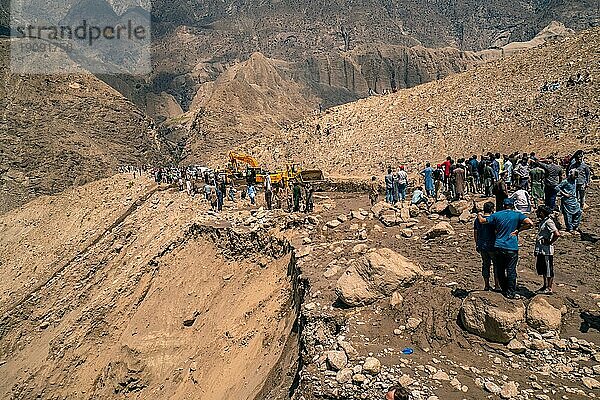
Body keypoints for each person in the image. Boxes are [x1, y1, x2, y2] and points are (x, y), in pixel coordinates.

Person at [477, 198, 533, 299]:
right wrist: (518, 230)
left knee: (500, 269)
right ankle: (510, 291)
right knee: (511, 270)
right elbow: (530, 223)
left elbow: (482, 221)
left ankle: (503, 288)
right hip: (512, 246)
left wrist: (479, 214)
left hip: (499, 245)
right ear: (513, 205)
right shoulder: (518, 215)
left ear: (503, 205)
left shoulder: (497, 215)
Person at [474, 201, 499, 291]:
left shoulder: (478, 219)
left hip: (482, 245)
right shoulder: (494, 219)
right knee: (496, 265)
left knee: (485, 265)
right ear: (492, 209)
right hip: (493, 245)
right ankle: (497, 285)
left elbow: (476, 232)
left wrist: (477, 244)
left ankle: (486, 285)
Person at [534, 206, 560, 294]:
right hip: (541, 249)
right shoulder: (543, 221)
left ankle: (549, 287)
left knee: (548, 269)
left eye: (539, 211)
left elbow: (556, 234)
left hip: (546, 250)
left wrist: (549, 242)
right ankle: (545, 286)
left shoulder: (549, 222)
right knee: (543, 269)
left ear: (542, 212)